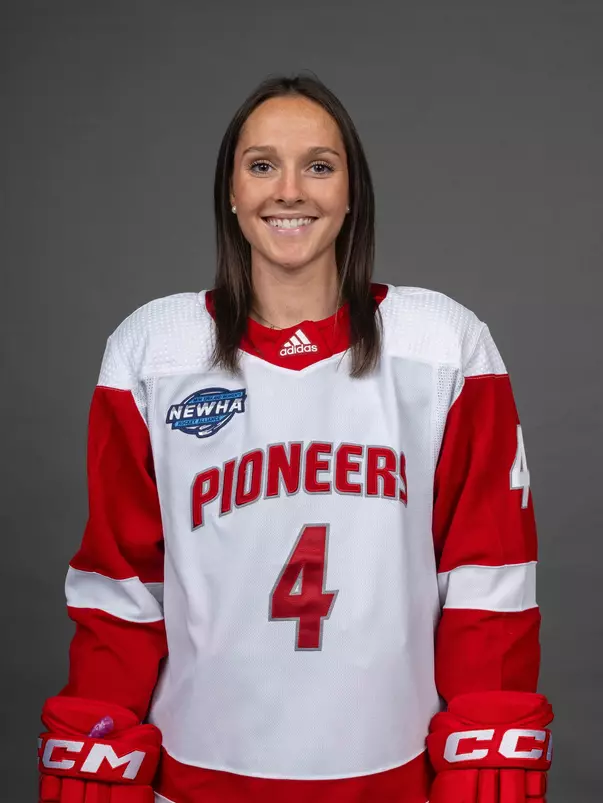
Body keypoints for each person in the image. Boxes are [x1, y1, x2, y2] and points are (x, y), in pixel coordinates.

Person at [38, 74, 553, 803]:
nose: (289, 191)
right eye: (260, 166)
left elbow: (487, 578)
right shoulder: (154, 349)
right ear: (231, 191)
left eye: (318, 165)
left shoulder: (441, 344)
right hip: (198, 772)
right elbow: (123, 586)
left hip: (390, 771)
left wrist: (485, 741)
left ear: (351, 192)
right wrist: (96, 738)